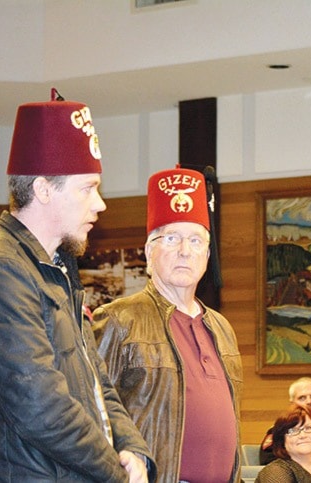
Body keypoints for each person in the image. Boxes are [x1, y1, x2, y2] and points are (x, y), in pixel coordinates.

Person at [0, 90, 156, 482]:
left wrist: (133, 450)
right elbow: (40, 407)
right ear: (43, 189)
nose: (100, 204)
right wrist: (117, 472)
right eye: (87, 188)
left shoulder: (56, 268)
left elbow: (97, 384)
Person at [95, 166, 243, 482]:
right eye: (171, 237)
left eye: (195, 240)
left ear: (207, 254)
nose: (184, 251)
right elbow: (93, 413)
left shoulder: (222, 329)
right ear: (149, 252)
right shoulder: (118, 320)